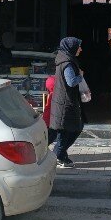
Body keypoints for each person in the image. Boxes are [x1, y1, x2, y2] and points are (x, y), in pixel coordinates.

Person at [49, 36, 85, 168]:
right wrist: (80, 76)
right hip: (66, 103)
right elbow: (71, 82)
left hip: (64, 101)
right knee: (70, 130)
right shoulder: (68, 63)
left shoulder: (64, 59)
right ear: (72, 48)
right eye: (78, 46)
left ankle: (61, 155)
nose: (80, 49)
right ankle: (57, 156)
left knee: (69, 129)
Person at [42, 75, 56, 144]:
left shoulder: (51, 95)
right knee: (50, 138)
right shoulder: (55, 96)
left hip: (48, 122)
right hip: (51, 122)